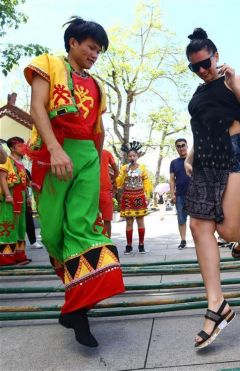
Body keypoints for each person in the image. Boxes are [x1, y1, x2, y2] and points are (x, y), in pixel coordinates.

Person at [24, 17, 124, 347]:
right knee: (53, 233)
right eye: (91, 47)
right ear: (73, 43)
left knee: (81, 227)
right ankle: (75, 304)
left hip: (87, 157)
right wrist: (54, 149)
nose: (95, 54)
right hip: (54, 150)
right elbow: (37, 107)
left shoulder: (97, 86)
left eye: (99, 50)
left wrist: (97, 168)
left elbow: (98, 129)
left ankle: (77, 310)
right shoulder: (48, 64)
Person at [184, 28, 240, 348]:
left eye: (205, 63)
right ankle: (216, 304)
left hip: (235, 156)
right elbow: (201, 127)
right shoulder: (199, 94)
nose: (202, 70)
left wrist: (232, 84)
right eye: (195, 67)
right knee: (198, 224)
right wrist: (190, 155)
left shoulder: (233, 80)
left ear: (215, 56)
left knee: (228, 230)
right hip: (205, 162)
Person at [117, 141, 152, 254]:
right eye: (130, 156)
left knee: (140, 221)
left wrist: (147, 194)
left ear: (137, 156)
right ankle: (129, 245)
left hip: (139, 196)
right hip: (127, 197)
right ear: (127, 157)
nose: (132, 157)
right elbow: (118, 183)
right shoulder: (123, 169)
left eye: (134, 155)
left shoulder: (142, 168)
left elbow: (146, 181)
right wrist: (124, 174)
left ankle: (141, 245)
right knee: (129, 222)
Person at [0, 137, 30, 266]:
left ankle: (19, 256)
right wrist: (7, 194)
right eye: (20, 146)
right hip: (11, 195)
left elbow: (25, 184)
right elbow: (2, 177)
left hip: (21, 196)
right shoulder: (7, 160)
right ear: (12, 148)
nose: (23, 148)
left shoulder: (21, 163)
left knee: (20, 225)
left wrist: (28, 197)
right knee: (8, 225)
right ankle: (6, 258)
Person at [169, 138, 191, 249]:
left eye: (183, 145)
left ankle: (198, 239)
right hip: (180, 194)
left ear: (187, 146)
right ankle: (183, 240)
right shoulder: (174, 163)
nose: (181, 148)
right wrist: (172, 193)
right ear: (176, 148)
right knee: (181, 219)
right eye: (178, 146)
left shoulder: (193, 159)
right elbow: (172, 179)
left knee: (197, 219)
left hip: (195, 194)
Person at [99, 149, 118, 237]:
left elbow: (116, 170)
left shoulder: (106, 153)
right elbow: (116, 171)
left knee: (106, 219)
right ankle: (105, 242)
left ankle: (107, 242)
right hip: (93, 190)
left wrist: (113, 182)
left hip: (103, 189)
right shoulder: (106, 152)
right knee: (106, 219)